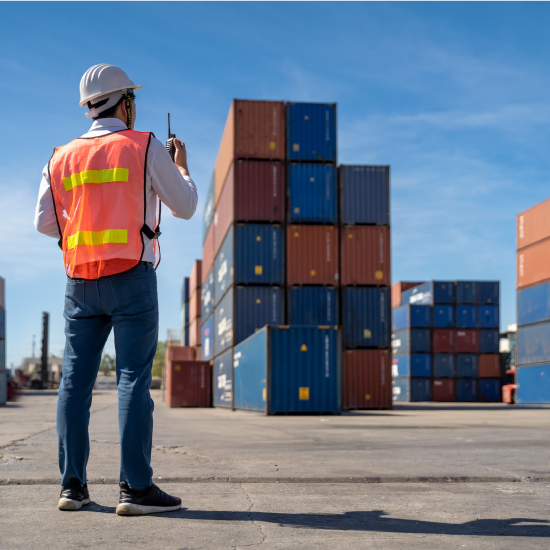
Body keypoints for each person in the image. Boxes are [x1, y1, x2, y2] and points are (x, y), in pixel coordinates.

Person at [34, 64, 198, 515]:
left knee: (74, 384)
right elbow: (183, 207)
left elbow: (45, 224)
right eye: (133, 100)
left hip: (79, 283)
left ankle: (72, 488)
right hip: (132, 280)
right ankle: (136, 489)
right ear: (124, 102)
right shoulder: (143, 144)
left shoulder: (59, 156)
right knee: (132, 381)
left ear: (88, 107)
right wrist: (181, 169)